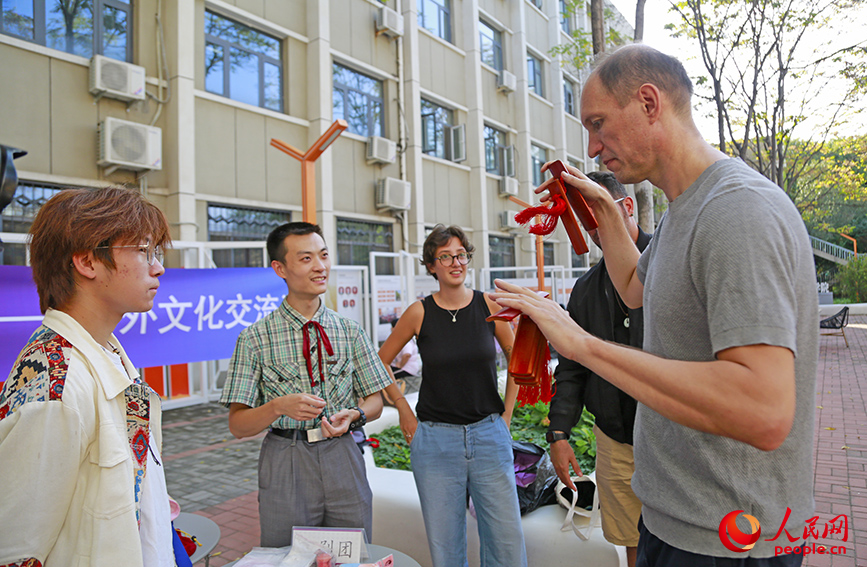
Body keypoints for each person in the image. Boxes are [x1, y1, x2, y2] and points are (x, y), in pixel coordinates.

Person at [492, 44, 817, 566]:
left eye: (598, 123)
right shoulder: (681, 214)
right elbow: (634, 286)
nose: (593, 147)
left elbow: (764, 409)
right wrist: (604, 213)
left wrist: (580, 343)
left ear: (648, 102)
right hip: (674, 517)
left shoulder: (736, 211)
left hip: (727, 538)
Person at [0, 187, 175, 566]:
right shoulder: (54, 382)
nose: (158, 266)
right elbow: (17, 549)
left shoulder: (104, 351)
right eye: (143, 251)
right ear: (87, 262)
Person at [219, 222, 392, 547]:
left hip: (344, 454)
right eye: (306, 258)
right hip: (286, 458)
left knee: (352, 550)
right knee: (287, 553)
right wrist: (277, 407)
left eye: (323, 255)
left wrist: (354, 415)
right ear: (280, 268)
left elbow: (376, 401)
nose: (320, 266)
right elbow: (238, 425)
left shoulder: (349, 330)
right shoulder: (255, 338)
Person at [378, 224, 527, 567]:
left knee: (507, 544)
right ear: (432, 266)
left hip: (489, 435)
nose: (455, 262)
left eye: (460, 255)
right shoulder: (419, 312)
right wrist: (402, 406)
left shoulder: (489, 305)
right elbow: (380, 361)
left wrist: (506, 416)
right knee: (446, 549)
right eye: (445, 256)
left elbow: (517, 356)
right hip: (435, 442)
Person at [547, 171, 650, 567]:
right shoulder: (587, 288)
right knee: (631, 541)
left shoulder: (666, 265)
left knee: (681, 541)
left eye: (599, 215)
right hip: (614, 439)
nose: (593, 229)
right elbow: (572, 368)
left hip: (673, 438)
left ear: (626, 207)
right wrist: (558, 433)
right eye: (584, 220)